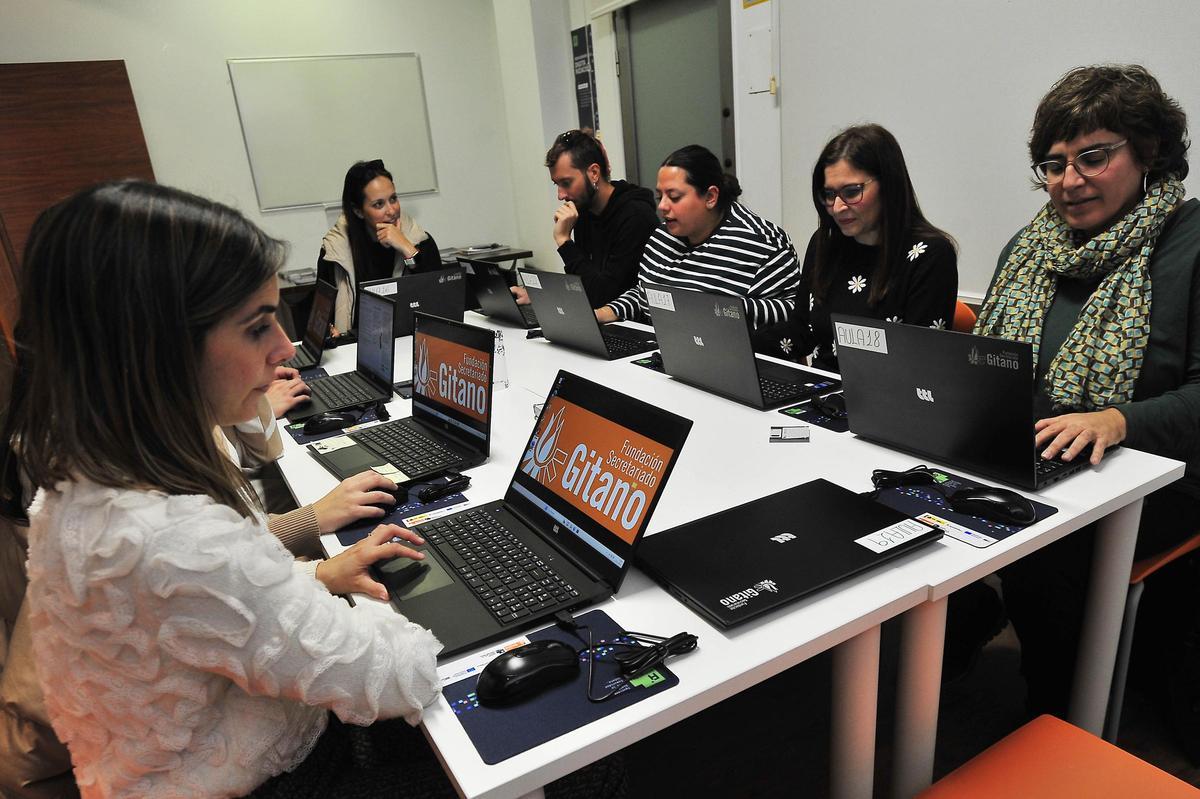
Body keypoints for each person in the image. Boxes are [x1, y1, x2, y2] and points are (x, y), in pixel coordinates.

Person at [4, 181, 446, 797]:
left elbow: (206, 609)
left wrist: (314, 579)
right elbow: (399, 676)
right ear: (163, 350)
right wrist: (406, 608)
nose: (285, 348)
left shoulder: (73, 489)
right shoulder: (177, 538)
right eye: (257, 327)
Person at [973, 65, 1200, 742]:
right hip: (1038, 457)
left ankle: (1057, 722)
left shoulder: (1188, 243)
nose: (1067, 181)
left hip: (1156, 477)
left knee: (1046, 553)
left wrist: (1117, 418)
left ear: (1149, 150)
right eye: (1053, 163)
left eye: (1093, 157)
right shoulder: (1030, 245)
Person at [788, 124, 957, 370]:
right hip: (820, 394)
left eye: (851, 192)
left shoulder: (930, 255)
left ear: (888, 185)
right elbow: (800, 333)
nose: (837, 207)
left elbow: (921, 366)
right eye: (828, 194)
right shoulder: (824, 243)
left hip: (887, 401)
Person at [597, 144, 800, 349]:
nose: (662, 206)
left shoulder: (763, 244)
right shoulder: (661, 237)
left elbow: (792, 314)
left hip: (732, 359)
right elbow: (646, 294)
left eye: (674, 197)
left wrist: (716, 310)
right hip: (669, 353)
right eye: (660, 196)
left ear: (710, 197)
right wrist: (608, 312)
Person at [513, 129, 657, 308]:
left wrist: (564, 242)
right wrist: (541, 296)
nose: (560, 195)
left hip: (631, 325)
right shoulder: (584, 211)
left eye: (566, 183)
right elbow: (583, 286)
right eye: (556, 184)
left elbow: (603, 296)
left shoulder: (636, 216)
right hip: (599, 321)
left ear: (594, 173)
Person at [318, 160, 442, 334]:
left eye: (393, 199)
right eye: (379, 204)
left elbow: (440, 301)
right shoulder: (334, 250)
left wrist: (407, 248)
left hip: (408, 339)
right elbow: (322, 318)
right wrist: (330, 332)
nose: (391, 210)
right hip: (354, 347)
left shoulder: (420, 241)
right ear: (358, 211)